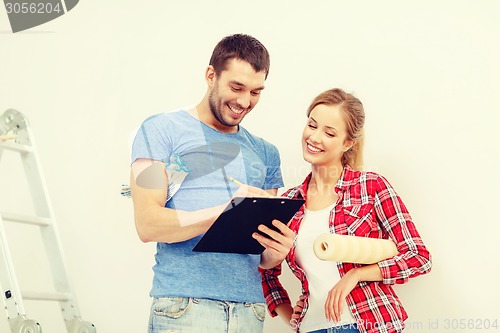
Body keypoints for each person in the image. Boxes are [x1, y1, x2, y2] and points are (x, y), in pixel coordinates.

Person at [129, 34, 295, 333]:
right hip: (185, 308)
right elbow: (148, 223)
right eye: (236, 87)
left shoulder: (266, 153)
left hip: (249, 310)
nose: (245, 102)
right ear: (210, 75)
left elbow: (263, 258)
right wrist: (226, 213)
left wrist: (276, 251)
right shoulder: (160, 131)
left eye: (256, 92)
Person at [260, 88, 432, 333]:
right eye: (312, 125)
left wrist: (357, 276)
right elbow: (264, 269)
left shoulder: (371, 186)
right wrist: (290, 315)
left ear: (348, 143)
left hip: (370, 324)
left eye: (329, 133)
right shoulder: (289, 202)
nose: (315, 137)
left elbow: (418, 257)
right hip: (312, 328)